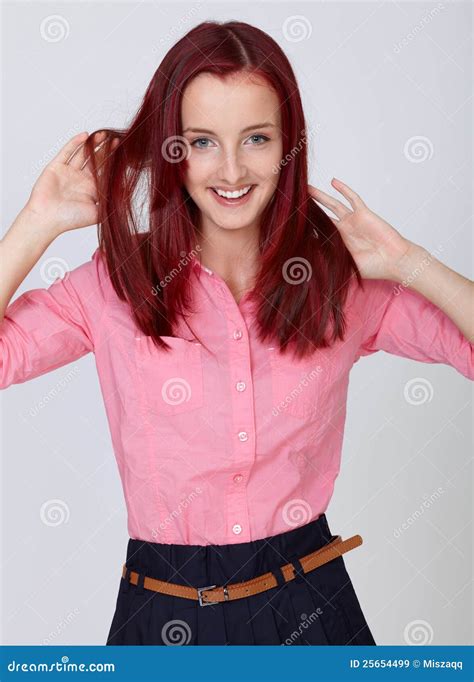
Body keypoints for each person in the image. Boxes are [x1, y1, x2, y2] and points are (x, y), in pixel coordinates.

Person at [1, 20, 472, 647]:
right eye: (201, 141)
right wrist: (37, 223)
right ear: (173, 149)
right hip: (160, 611)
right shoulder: (114, 284)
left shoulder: (338, 284)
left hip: (312, 611)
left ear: (287, 145)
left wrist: (411, 263)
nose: (230, 169)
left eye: (255, 138)